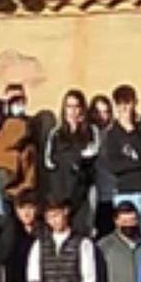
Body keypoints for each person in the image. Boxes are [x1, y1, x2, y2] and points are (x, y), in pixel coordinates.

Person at [43, 89, 99, 234]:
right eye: (69, 106)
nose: (73, 111)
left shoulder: (91, 131)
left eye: (76, 106)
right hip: (61, 192)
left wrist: (71, 156)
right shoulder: (56, 133)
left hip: (83, 194)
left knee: (82, 233)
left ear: (82, 109)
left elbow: (91, 154)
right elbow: (49, 162)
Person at [27, 197, 98, 282]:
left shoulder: (83, 243)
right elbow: (34, 277)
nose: (54, 221)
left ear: (66, 211)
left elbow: (89, 278)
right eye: (49, 218)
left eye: (56, 215)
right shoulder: (39, 243)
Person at [100, 83, 141, 236]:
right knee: (128, 236)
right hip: (126, 191)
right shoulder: (112, 133)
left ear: (135, 102)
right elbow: (114, 166)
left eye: (127, 103)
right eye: (120, 105)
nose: (125, 109)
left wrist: (131, 131)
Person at [0, 83, 38, 205]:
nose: (18, 103)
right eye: (13, 100)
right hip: (1, 175)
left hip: (21, 176)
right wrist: (2, 106)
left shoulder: (29, 123)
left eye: (21, 99)